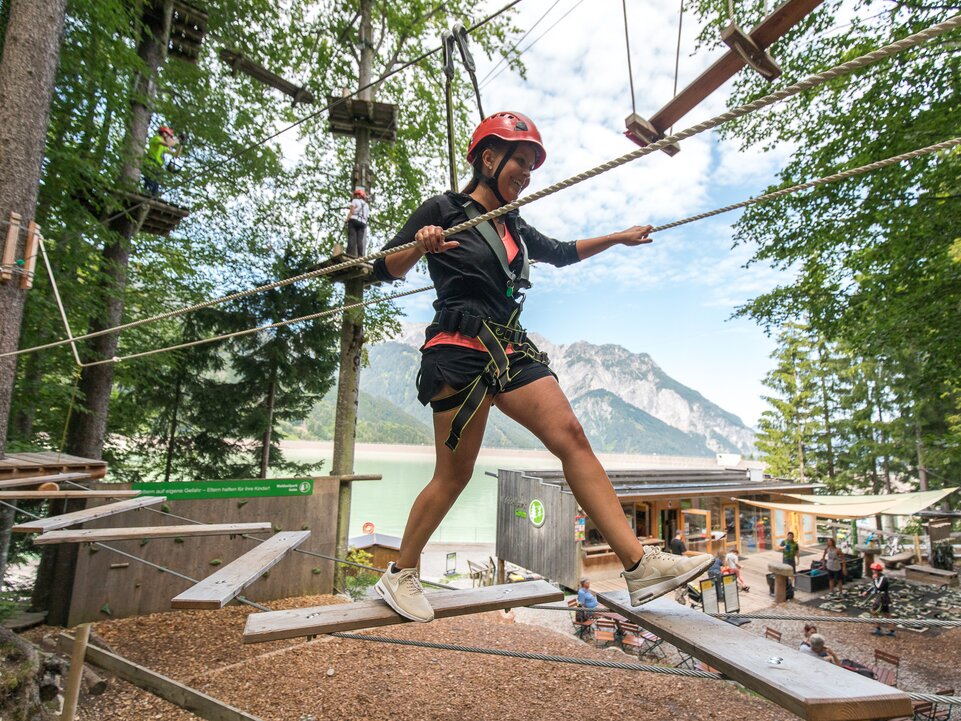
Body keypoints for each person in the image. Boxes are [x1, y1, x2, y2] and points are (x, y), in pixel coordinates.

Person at [370, 111, 713, 622]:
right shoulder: (443, 208)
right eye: (521, 162)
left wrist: (617, 237)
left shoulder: (512, 223)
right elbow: (384, 267)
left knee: (572, 436)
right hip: (460, 347)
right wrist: (421, 244)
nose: (527, 174)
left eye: (532, 166)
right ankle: (400, 572)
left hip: (510, 347)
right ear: (489, 158)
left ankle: (638, 565)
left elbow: (559, 252)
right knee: (454, 475)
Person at [143, 125, 182, 197]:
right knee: (150, 184)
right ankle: (146, 196)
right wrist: (177, 140)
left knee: (155, 188)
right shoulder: (156, 139)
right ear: (164, 134)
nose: (169, 138)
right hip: (150, 165)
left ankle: (152, 197)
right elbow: (168, 144)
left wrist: (181, 144)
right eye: (169, 136)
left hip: (157, 167)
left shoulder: (163, 145)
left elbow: (176, 155)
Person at [862, 562, 894, 636]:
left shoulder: (883, 578)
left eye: (874, 570)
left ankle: (879, 628)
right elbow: (874, 586)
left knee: (875, 611)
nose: (873, 571)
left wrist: (875, 579)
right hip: (881, 597)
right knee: (886, 614)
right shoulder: (878, 577)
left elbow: (878, 586)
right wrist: (867, 592)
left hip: (882, 598)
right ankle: (891, 630)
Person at [345, 187, 370, 256]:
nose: (356, 196)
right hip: (363, 223)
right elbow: (367, 216)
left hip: (353, 220)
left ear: (358, 195)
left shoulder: (354, 201)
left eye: (356, 195)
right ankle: (360, 256)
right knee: (360, 240)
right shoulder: (367, 205)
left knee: (352, 237)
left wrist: (347, 220)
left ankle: (349, 253)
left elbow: (351, 211)